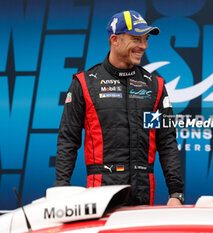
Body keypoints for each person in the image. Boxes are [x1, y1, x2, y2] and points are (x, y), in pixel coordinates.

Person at [54, 10, 184, 206]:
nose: (143, 46)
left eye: (145, 39)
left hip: (143, 190)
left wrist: (176, 193)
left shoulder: (154, 86)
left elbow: (166, 140)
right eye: (136, 39)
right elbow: (68, 140)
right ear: (115, 40)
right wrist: (61, 188)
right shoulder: (85, 83)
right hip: (101, 192)